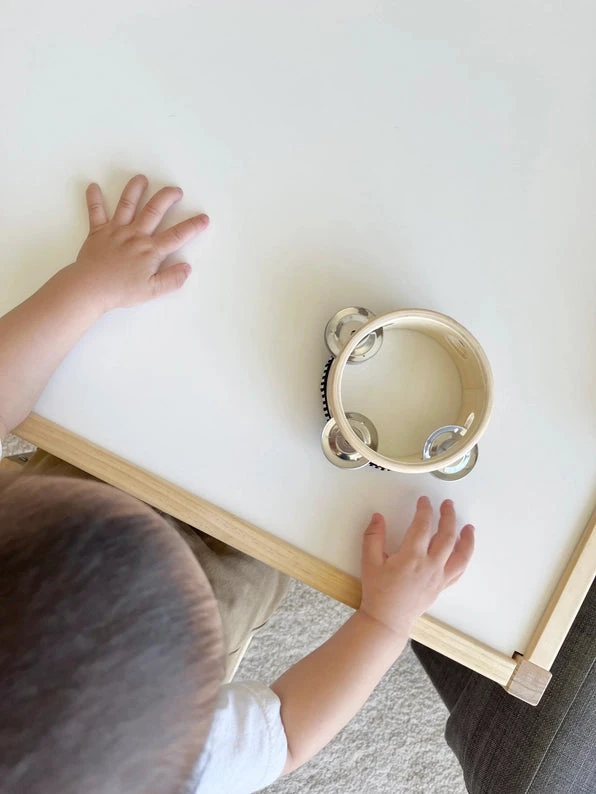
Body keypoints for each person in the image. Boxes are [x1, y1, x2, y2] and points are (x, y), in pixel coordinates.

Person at [0, 175, 475, 794]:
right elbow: (287, 734)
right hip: (226, 566)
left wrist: (84, 288)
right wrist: (384, 622)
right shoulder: (174, 752)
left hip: (85, 473)